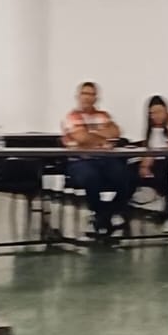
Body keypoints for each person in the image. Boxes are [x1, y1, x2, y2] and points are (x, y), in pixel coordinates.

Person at [62, 82, 133, 240]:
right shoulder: (72, 116)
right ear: (78, 97)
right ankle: (100, 213)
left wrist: (89, 136)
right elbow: (81, 137)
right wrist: (101, 137)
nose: (87, 98)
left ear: (96, 98)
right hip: (80, 160)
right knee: (91, 177)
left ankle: (106, 213)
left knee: (127, 176)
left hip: (104, 159)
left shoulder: (103, 115)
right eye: (84, 94)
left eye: (91, 94)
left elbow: (116, 132)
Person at [137, 96, 168, 201]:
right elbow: (149, 149)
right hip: (153, 160)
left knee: (163, 170)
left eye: (159, 112)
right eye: (152, 113)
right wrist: (144, 166)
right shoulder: (152, 129)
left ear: (166, 110)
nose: (155, 116)